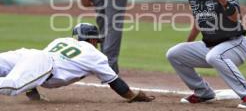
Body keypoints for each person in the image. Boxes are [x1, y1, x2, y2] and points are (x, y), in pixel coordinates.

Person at [0, 23, 155, 103]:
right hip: (44, 63)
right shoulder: (95, 54)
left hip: (29, 54)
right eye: (97, 40)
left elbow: (31, 68)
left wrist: (33, 95)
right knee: (12, 86)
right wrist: (133, 96)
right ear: (93, 40)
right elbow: (115, 82)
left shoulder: (62, 40)